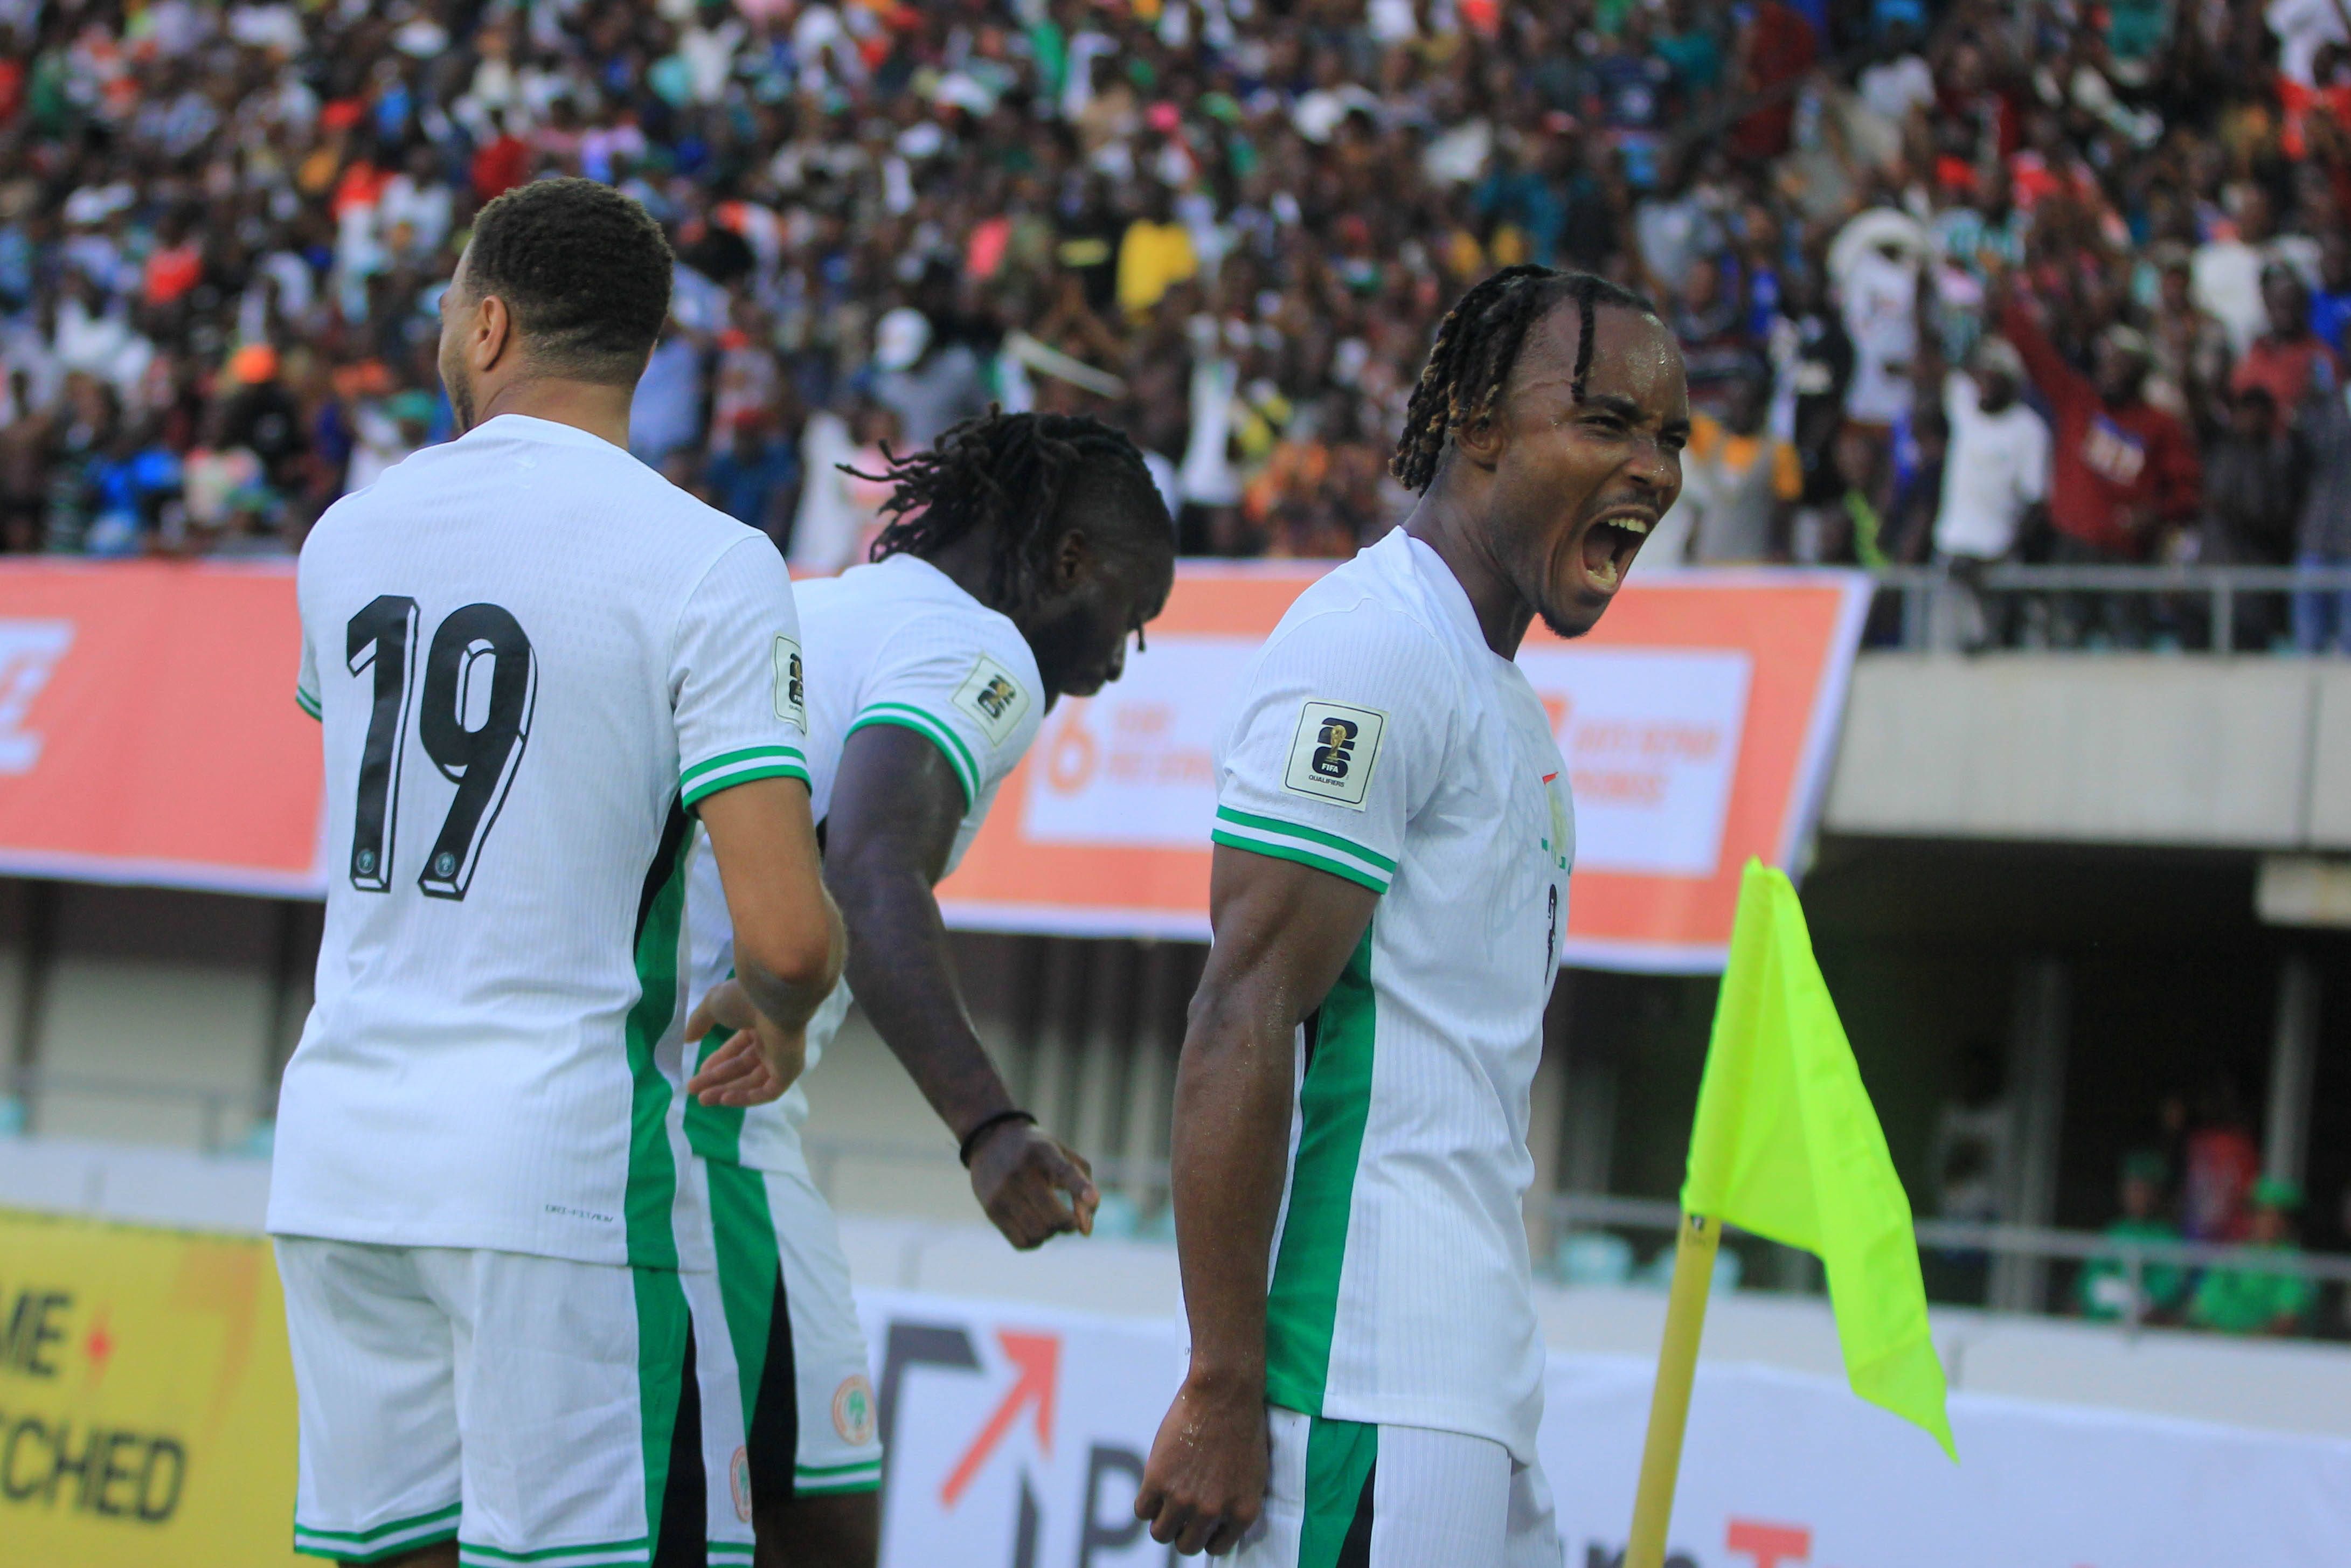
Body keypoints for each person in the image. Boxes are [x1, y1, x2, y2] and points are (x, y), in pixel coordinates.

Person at [266, 178, 845, 1568]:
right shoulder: (709, 558)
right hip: (548, 1164)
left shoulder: (345, 539)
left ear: (487, 319)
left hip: (338, 1143)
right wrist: (777, 1004)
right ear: (644, 357)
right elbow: (789, 930)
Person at [1136, 266, 1689, 1563]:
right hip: (1360, 1369)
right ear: (1482, 423)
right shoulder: (1373, 648)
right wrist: (1223, 1379)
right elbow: (1241, 1007)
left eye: (1669, 439)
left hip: (1469, 1372)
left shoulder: (1500, 698)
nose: (1653, 469)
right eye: (1607, 421)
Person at [671, 408, 1174, 1567]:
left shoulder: (828, 604)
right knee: (820, 1524)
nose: (1116, 661)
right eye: (1130, 618)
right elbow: (874, 862)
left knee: (791, 1506)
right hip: (704, 1125)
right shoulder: (977, 650)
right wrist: (989, 1127)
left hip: (662, 1099)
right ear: (1066, 564)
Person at [1932, 338, 2049, 647]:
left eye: (1995, 376)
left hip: (1995, 559)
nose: (1985, 383)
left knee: (1993, 651)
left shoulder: (2028, 429)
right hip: (1952, 549)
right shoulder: (1963, 407)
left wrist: (2004, 552)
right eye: (1981, 375)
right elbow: (1947, 369)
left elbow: (2035, 501)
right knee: (1943, 648)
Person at [2187, 1178, 2320, 1336]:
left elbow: (2287, 1319)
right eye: (2262, 1214)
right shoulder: (2231, 1256)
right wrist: (2223, 1341)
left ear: (2288, 1222)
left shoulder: (2295, 1264)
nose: (2270, 1223)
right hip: (2219, 1348)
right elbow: (2203, 1308)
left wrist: (2248, 1346)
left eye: (2277, 1216)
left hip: (2270, 1354)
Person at [2076, 1152, 2189, 1322]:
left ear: (2156, 1193)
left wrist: (2131, 1297)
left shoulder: (2167, 1238)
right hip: (2098, 1330)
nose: (2134, 1195)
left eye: (2141, 1188)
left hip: (2144, 1335)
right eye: (2130, 1187)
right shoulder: (2115, 1231)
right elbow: (2089, 1282)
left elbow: (2163, 1295)